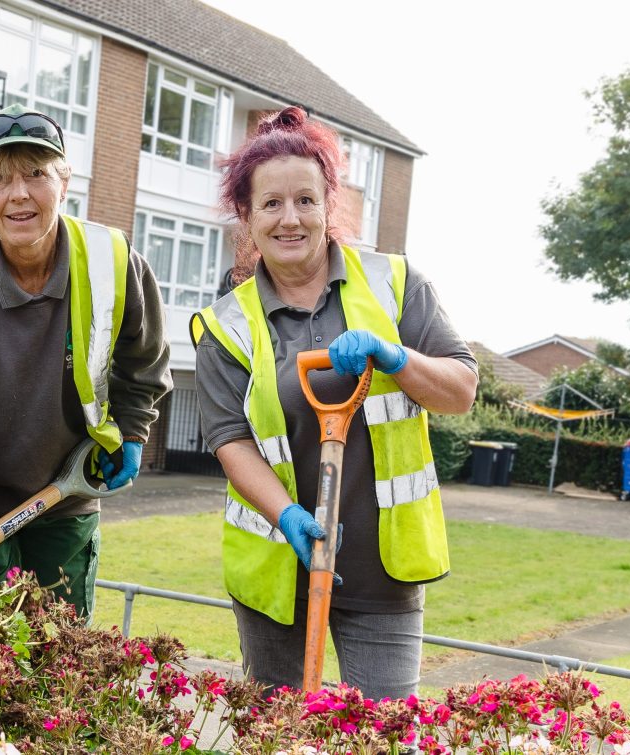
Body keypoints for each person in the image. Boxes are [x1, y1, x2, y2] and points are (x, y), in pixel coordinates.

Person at [190, 106, 477, 700]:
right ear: (246, 216)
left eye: (305, 200)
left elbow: (462, 390)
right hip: (277, 577)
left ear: (329, 205)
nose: (289, 218)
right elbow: (230, 441)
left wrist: (396, 357)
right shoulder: (225, 325)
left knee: (385, 736)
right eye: (270, 204)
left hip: (384, 578)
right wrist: (286, 515)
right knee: (278, 735)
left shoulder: (396, 285)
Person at [0, 104, 172, 620]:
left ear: (64, 182)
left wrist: (131, 430)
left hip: (67, 502)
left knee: (60, 670)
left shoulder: (114, 261)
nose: (19, 194)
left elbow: (143, 359)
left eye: (36, 173)